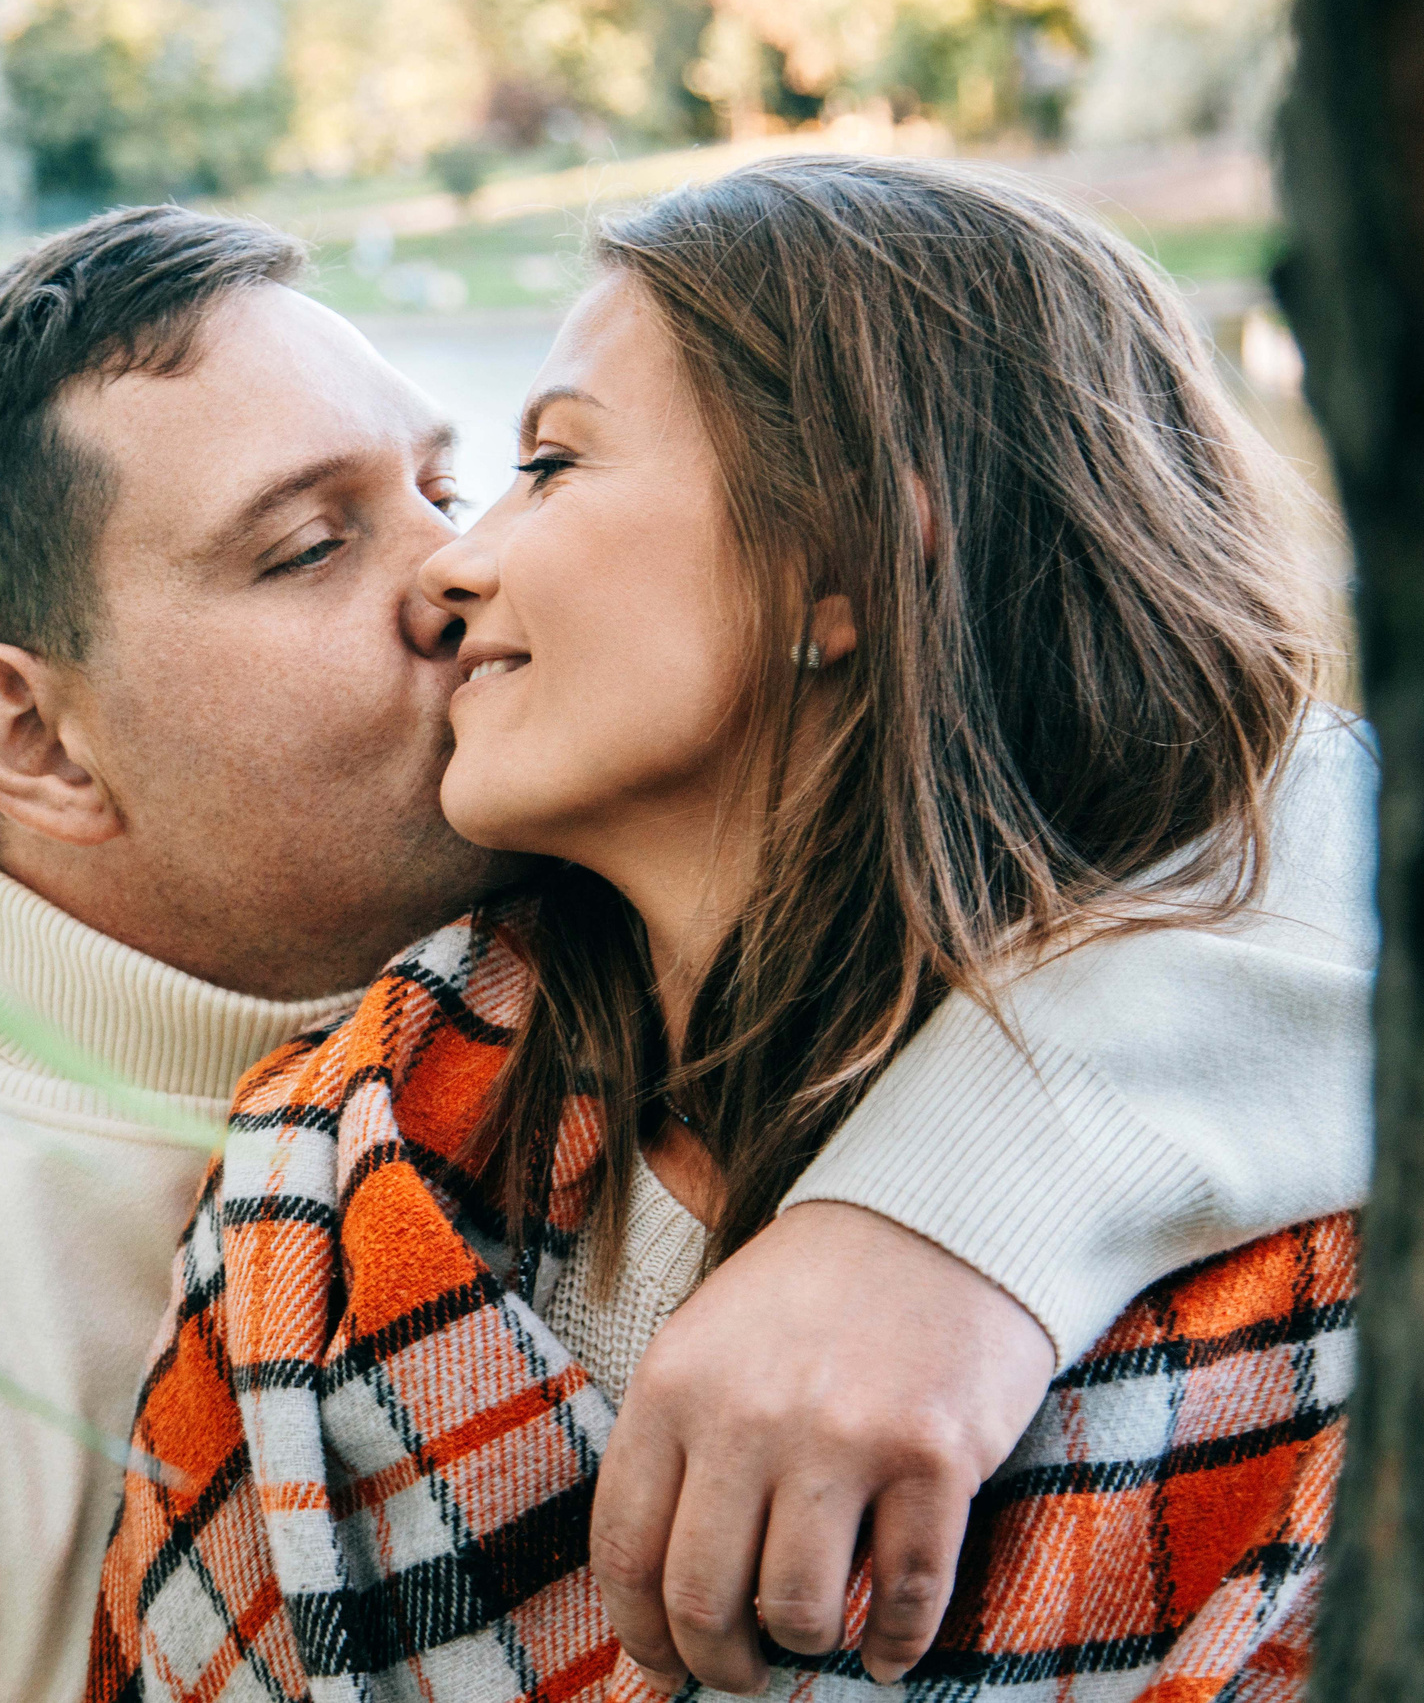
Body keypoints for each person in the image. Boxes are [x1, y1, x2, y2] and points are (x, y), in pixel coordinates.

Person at [0, 203, 1372, 1703]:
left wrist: (947, 1216)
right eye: (309, 547)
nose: (454, 567)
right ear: (37, 745)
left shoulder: (647, 911)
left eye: (465, 475)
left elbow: (1288, 829)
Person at [90, 158, 1367, 1702]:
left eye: (550, 464)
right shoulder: (323, 1176)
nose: (450, 564)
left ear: (838, 565)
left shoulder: (1302, 1281)